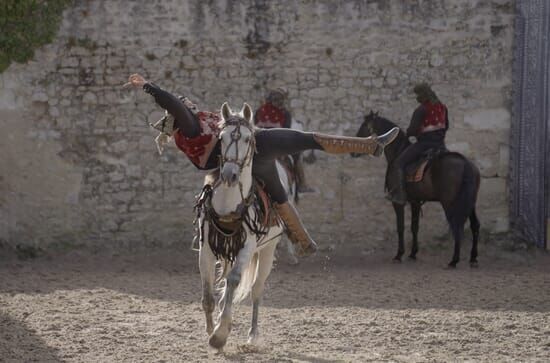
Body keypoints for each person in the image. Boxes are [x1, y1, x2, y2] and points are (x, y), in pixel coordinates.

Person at [124, 74, 399, 256]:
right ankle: (371, 145)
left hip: (247, 157)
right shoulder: (190, 125)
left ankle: (302, 241)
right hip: (256, 147)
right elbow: (173, 102)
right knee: (308, 141)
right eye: (186, 104)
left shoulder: (189, 136)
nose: (190, 103)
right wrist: (148, 86)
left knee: (281, 196)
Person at [386, 83, 449, 205]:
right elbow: (446, 126)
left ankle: (400, 195)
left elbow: (412, 130)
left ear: (422, 94)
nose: (417, 97)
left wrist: (409, 135)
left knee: (399, 163)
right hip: (441, 145)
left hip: (424, 145)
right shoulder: (443, 108)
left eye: (417, 94)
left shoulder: (421, 109)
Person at [254, 88, 313, 193]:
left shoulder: (259, 111)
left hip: (259, 145)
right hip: (276, 146)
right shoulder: (285, 113)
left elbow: (253, 127)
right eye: (277, 100)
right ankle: (302, 184)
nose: (279, 102)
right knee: (297, 155)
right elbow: (285, 132)